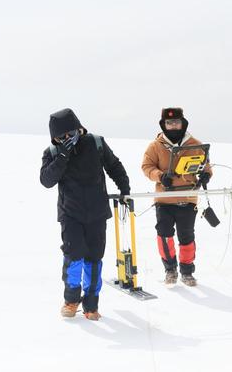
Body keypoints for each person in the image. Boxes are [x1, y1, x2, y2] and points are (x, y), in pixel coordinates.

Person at [40, 108, 130, 320]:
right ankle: (71, 301)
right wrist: (63, 156)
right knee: (74, 256)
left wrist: (124, 188)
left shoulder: (96, 143)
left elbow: (114, 166)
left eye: (70, 134)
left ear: (79, 129)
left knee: (94, 259)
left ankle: (91, 305)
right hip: (70, 214)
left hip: (97, 212)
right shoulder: (52, 153)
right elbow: (46, 181)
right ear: (55, 138)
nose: (67, 139)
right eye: (61, 137)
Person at [141, 107, 212, 287]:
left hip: (188, 198)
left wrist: (206, 175)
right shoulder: (155, 146)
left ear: (183, 123)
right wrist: (159, 175)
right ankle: (170, 269)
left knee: (186, 236)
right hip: (164, 200)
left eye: (176, 122)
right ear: (163, 125)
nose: (173, 126)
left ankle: (187, 272)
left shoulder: (195, 144)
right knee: (164, 235)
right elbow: (146, 167)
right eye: (169, 123)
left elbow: (206, 166)